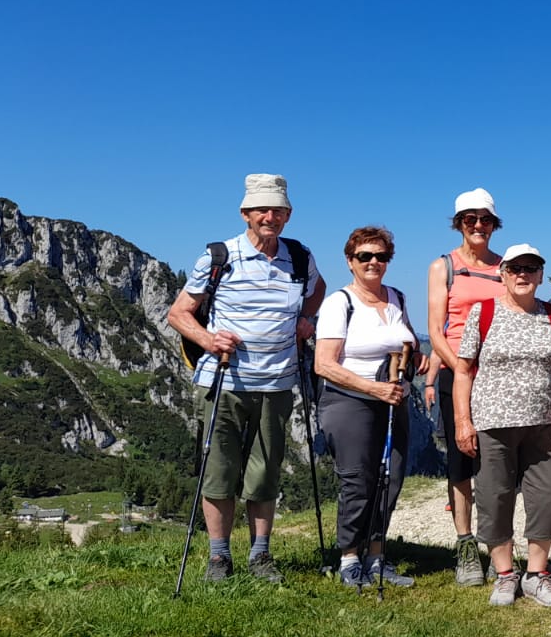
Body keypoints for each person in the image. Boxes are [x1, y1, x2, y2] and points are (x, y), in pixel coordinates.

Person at [166, 173, 325, 583]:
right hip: (223, 382)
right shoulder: (219, 257)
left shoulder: (299, 256)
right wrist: (209, 339)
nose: (270, 217)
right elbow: (178, 313)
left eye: (278, 210)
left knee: (265, 473)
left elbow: (318, 289)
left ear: (288, 215)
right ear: (245, 214)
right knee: (219, 472)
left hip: (277, 383)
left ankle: (260, 556)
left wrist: (306, 319)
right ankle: (219, 558)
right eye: (262, 210)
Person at [452, 243, 551, 609]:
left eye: (530, 268)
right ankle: (505, 575)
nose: (523, 274)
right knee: (495, 497)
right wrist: (463, 421)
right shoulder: (484, 312)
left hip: (541, 424)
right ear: (503, 274)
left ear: (540, 275)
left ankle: (536, 574)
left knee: (546, 497)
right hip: (492, 424)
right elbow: (463, 370)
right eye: (515, 268)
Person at [312, 227, 422, 592]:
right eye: (365, 256)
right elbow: (323, 364)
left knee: (390, 479)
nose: (374, 262)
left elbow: (405, 343)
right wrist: (372, 387)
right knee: (358, 481)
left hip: (391, 399)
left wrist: (414, 360)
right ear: (350, 261)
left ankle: (376, 556)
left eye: (381, 256)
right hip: (349, 400)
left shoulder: (397, 298)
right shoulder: (339, 303)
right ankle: (349, 559)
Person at [425, 188, 505, 586]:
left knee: (497, 463)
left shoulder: (506, 267)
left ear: (494, 224)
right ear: (459, 224)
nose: (478, 226)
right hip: (456, 371)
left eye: (485, 220)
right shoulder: (444, 266)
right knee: (460, 462)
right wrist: (460, 367)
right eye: (470, 219)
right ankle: (465, 545)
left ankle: (497, 546)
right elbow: (435, 329)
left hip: (498, 377)